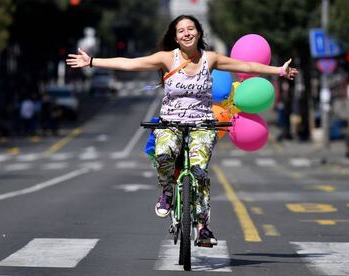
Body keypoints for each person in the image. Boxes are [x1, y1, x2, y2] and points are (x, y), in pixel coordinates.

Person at [66, 14, 298, 246]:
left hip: (202, 124)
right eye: (181, 30)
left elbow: (246, 66)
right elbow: (130, 63)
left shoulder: (212, 58)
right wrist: (93, 61)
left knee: (199, 171)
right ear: (175, 37)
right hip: (170, 122)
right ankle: (167, 192)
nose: (186, 33)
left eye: (191, 29)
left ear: (198, 33)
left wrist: (278, 71)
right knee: (164, 153)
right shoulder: (167, 58)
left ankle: (203, 227)